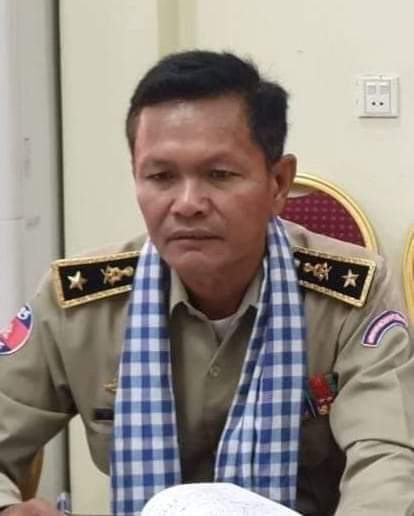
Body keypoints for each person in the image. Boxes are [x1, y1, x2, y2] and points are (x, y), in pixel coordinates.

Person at [0, 50, 413, 516]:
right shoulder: (79, 302)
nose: (188, 203)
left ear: (278, 182)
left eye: (219, 175)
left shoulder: (352, 295)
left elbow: (388, 463)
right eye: (161, 177)